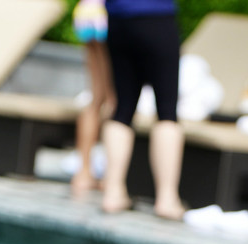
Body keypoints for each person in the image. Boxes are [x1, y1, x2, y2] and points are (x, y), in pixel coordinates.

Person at [102, 0, 184, 219]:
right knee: (167, 111)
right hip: (157, 18)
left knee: (122, 109)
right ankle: (167, 199)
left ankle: (113, 192)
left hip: (118, 21)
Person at [71, 0, 115, 195]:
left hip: (87, 11)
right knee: (115, 100)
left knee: (96, 98)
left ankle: (83, 172)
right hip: (108, 14)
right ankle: (111, 176)